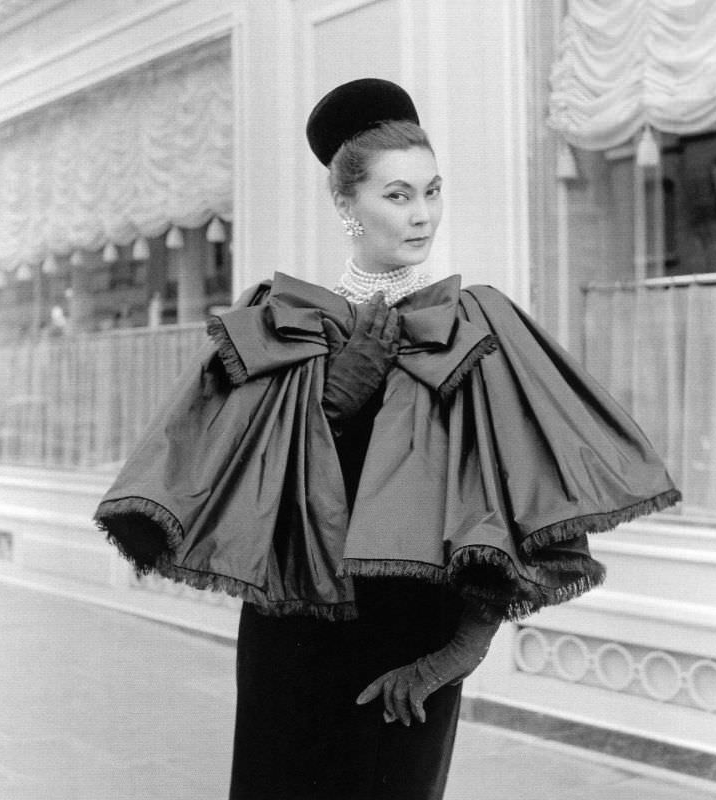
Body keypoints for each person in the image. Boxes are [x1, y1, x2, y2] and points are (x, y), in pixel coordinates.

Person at [95, 79, 681, 800]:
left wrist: (458, 652)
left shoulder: (477, 329)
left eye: (432, 192)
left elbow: (521, 507)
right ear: (346, 204)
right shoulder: (281, 324)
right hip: (292, 635)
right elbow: (228, 490)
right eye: (398, 195)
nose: (423, 215)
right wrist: (329, 404)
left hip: (414, 648)